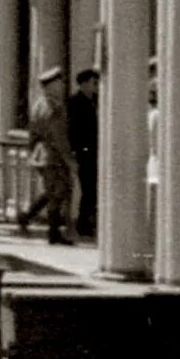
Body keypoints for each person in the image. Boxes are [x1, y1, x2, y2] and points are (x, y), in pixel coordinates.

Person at [22, 66, 78, 246]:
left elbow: (33, 132)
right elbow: (59, 137)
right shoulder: (55, 107)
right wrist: (70, 160)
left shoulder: (38, 104)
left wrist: (31, 152)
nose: (61, 85)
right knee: (59, 192)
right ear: (51, 85)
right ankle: (52, 232)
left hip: (42, 154)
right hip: (53, 156)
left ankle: (27, 217)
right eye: (59, 82)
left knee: (51, 191)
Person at [69, 67, 102, 237]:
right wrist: (75, 150)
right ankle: (83, 223)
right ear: (84, 84)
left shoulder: (96, 101)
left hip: (95, 152)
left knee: (93, 189)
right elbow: (73, 129)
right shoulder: (75, 102)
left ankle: (87, 221)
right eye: (94, 83)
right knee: (88, 188)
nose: (97, 87)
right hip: (83, 152)